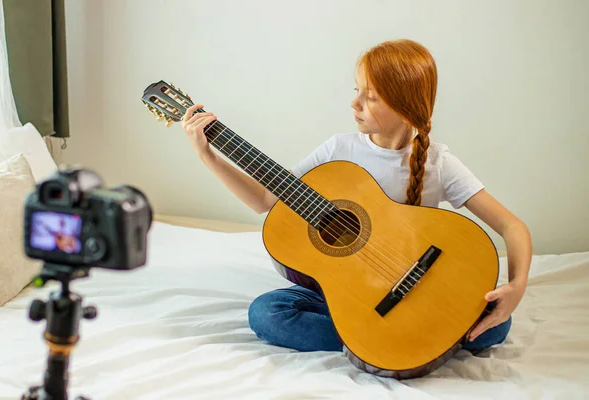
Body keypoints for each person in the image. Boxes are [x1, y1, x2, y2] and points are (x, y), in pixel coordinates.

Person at [180, 39, 532, 360]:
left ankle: (391, 340)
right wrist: (209, 157)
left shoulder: (439, 163)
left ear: (405, 104)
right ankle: (386, 339)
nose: (354, 103)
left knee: (497, 324)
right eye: (357, 91)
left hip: (419, 284)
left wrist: (516, 287)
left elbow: (511, 225)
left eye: (371, 96)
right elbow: (263, 199)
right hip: (350, 294)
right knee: (267, 314)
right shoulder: (338, 150)